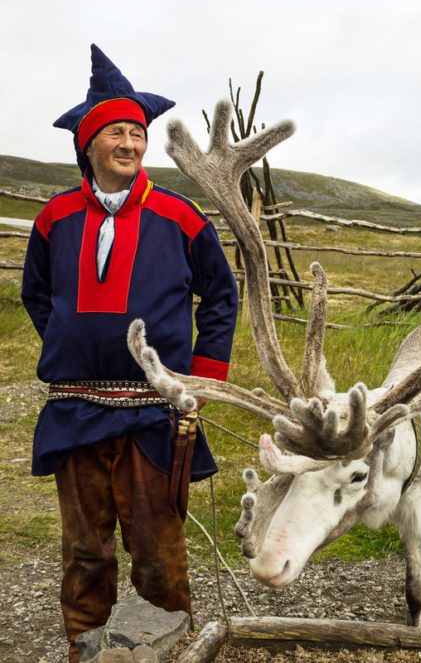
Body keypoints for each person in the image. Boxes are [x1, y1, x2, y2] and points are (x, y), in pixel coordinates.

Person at [20, 45, 239, 662]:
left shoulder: (180, 216)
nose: (129, 143)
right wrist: (71, 344)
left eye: (137, 133)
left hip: (154, 413)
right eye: (114, 131)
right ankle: (84, 649)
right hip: (77, 412)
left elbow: (221, 296)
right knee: (85, 551)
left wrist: (202, 378)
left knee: (159, 551)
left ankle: (163, 652)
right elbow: (37, 295)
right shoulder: (54, 219)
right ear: (87, 145)